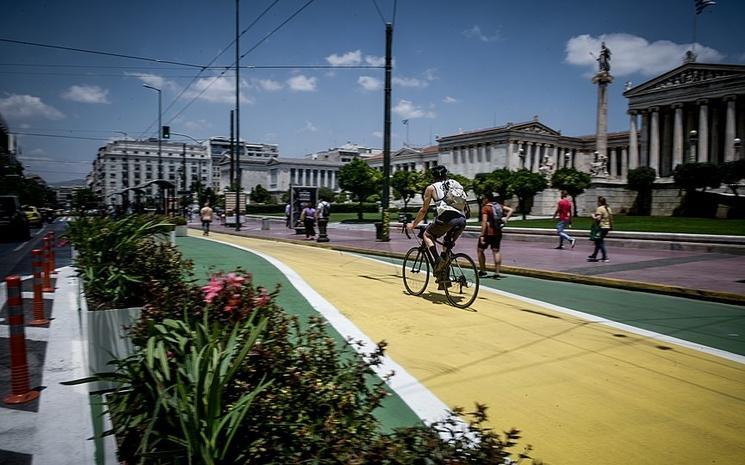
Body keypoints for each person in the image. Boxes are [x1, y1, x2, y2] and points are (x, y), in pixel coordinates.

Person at [407, 165, 467, 286]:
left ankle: (438, 262)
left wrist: (414, 224)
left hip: (447, 218)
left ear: (433, 176)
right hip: (461, 220)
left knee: (427, 234)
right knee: (446, 244)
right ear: (446, 174)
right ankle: (444, 279)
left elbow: (424, 210)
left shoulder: (431, 188)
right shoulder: (455, 183)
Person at [477, 192, 513, 279]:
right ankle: (497, 272)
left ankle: (483, 270)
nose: (482, 200)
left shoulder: (486, 208)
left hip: (487, 233)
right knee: (496, 251)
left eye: (483, 198)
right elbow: (511, 210)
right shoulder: (498, 206)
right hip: (498, 232)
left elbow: (484, 222)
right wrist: (506, 219)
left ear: (486, 199)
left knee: (480, 250)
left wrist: (482, 235)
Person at [588, 196, 613, 262]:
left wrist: (593, 216)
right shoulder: (608, 208)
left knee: (600, 242)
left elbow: (598, 219)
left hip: (601, 227)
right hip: (607, 227)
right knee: (598, 241)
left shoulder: (600, 208)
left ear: (599, 202)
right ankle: (594, 255)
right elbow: (611, 218)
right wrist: (611, 226)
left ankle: (605, 257)